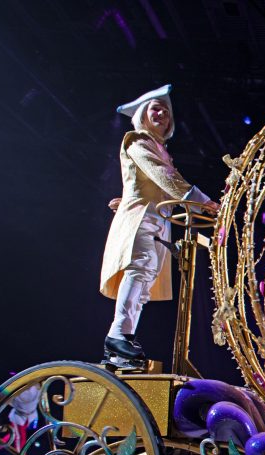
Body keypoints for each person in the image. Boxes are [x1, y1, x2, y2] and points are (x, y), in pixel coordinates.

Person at [99, 84, 218, 366]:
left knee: (146, 278)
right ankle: (117, 335)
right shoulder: (137, 140)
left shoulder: (160, 148)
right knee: (139, 269)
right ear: (142, 114)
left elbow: (155, 184)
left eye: (166, 111)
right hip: (142, 217)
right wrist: (205, 203)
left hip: (158, 220)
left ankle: (121, 345)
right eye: (156, 109)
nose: (162, 114)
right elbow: (163, 176)